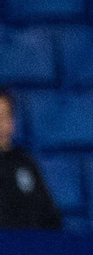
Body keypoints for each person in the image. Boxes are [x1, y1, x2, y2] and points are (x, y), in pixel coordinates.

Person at [0, 88, 61, 230]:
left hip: (29, 248)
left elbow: (50, 217)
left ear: (12, 123)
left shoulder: (25, 163)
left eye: (4, 117)